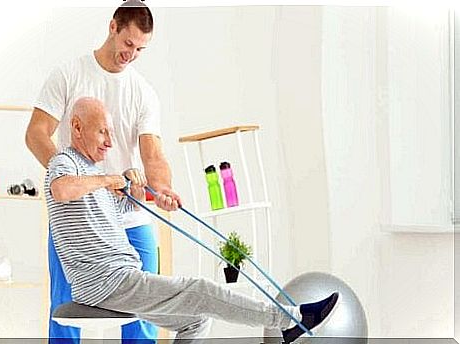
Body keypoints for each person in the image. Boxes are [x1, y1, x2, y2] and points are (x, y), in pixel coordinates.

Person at [46, 97, 339, 344]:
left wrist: (152, 195)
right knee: (200, 290)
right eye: (102, 133)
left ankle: (287, 319)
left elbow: (121, 208)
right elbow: (61, 189)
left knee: (196, 321)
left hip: (122, 277)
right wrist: (111, 178)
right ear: (77, 127)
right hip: (107, 281)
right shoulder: (65, 163)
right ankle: (289, 319)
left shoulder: (93, 179)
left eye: (111, 133)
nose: (110, 142)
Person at [25, 1, 178, 342]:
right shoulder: (69, 75)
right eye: (128, 44)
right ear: (113, 27)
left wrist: (163, 188)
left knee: (143, 313)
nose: (132, 54)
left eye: (140, 49)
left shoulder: (143, 92)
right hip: (77, 218)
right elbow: (36, 134)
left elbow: (152, 152)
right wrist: (75, 180)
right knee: (66, 312)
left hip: (129, 219)